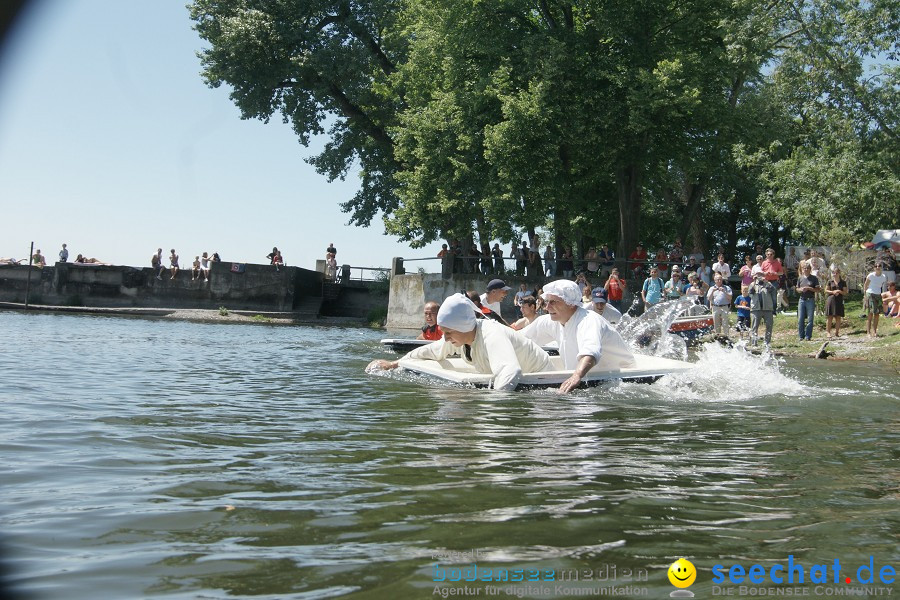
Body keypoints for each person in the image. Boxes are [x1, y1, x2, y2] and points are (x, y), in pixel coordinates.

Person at [368, 294, 550, 390]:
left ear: (462, 326)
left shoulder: (491, 334)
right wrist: (393, 364)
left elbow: (510, 371)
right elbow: (430, 351)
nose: (445, 337)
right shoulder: (459, 334)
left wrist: (494, 408)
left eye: (448, 332)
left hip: (545, 380)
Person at [518, 280, 635, 393]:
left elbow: (591, 351)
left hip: (626, 380)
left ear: (570, 304)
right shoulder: (549, 321)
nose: (547, 307)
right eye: (547, 301)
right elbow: (520, 339)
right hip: (592, 380)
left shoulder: (588, 320)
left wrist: (577, 375)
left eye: (553, 302)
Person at [748, 273, 775, 346]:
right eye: (759, 276)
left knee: (769, 325)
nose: (760, 277)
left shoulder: (768, 284)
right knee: (754, 326)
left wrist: (766, 282)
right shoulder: (752, 284)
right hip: (756, 308)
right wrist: (754, 282)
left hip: (767, 308)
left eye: (762, 275)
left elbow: (772, 291)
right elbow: (750, 293)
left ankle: (767, 342)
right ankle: (754, 343)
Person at [795, 263, 820, 341]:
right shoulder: (800, 278)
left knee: (810, 319)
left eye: (807, 268)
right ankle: (801, 336)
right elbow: (797, 289)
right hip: (802, 299)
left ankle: (808, 336)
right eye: (804, 268)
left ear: (810, 269)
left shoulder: (814, 278)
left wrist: (809, 288)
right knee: (800, 318)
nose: (806, 269)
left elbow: (818, 290)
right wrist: (801, 289)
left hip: (810, 300)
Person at [863, 263, 887, 338]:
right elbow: (866, 285)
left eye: (879, 266)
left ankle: (875, 331)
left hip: (878, 295)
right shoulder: (871, 275)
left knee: (877, 314)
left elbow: (882, 286)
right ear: (874, 268)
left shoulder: (883, 277)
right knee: (870, 313)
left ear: (881, 267)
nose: (877, 267)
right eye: (876, 266)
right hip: (870, 294)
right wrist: (865, 295)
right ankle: (868, 332)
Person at [824, 268, 847, 338]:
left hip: (839, 300)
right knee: (829, 316)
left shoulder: (843, 282)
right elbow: (826, 290)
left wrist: (839, 291)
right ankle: (828, 332)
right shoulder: (830, 281)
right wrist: (833, 292)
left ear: (839, 273)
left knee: (838, 317)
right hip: (831, 300)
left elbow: (845, 292)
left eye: (836, 273)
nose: (835, 274)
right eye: (833, 273)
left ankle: (837, 332)